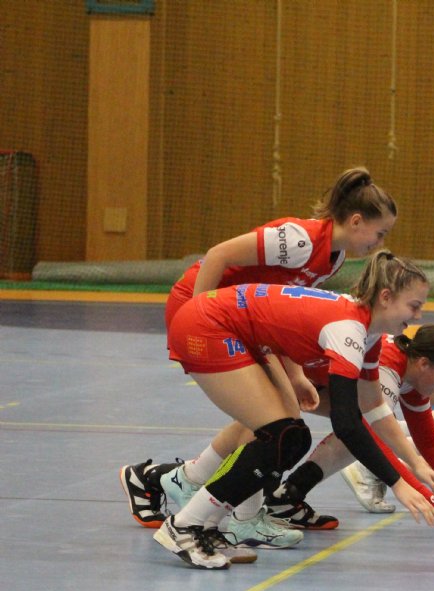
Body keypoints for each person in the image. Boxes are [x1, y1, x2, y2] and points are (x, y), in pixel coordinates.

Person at [120, 167, 399, 533]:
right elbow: (218, 255)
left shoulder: (335, 256)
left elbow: (282, 309)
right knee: (278, 423)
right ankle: (233, 512)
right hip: (205, 309)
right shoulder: (299, 240)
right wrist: (198, 312)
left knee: (274, 419)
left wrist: (295, 374)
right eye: (380, 233)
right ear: (357, 221)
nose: (380, 243)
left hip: (245, 320)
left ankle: (186, 484)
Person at [151, 251, 434, 569]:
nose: (418, 316)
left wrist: (416, 464)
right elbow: (347, 423)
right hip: (208, 324)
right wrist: (397, 482)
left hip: (234, 329)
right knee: (281, 436)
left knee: (289, 438)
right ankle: (185, 525)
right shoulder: (349, 331)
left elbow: (373, 407)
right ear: (385, 298)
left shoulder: (367, 331)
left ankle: (206, 525)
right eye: (414, 306)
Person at [275, 325, 434, 522]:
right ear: (424, 364)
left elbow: (429, 442)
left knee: (358, 428)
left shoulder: (413, 376)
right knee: (286, 433)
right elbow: (375, 439)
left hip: (310, 375)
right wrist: (432, 500)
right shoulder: (386, 369)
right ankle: (268, 504)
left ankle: (286, 497)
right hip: (284, 366)